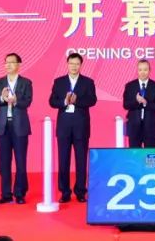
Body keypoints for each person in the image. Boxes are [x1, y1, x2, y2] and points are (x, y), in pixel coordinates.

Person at [49, 53, 97, 203]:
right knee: (63, 160)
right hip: (64, 126)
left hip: (81, 126)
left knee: (81, 160)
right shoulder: (59, 82)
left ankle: (81, 191)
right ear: (67, 64)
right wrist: (64, 102)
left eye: (77, 64)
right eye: (71, 63)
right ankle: (65, 192)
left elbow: (93, 100)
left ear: (81, 65)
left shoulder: (88, 82)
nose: (74, 66)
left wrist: (77, 101)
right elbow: (52, 101)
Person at [0, 53, 33, 205]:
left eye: (11, 62)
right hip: (3, 126)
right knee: (4, 162)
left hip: (19, 126)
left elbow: (27, 102)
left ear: (19, 65)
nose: (8, 65)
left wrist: (15, 101)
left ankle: (20, 193)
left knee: (20, 161)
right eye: (6, 62)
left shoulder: (26, 82)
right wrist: (2, 98)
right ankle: (6, 193)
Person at [122, 59, 155, 148]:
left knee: (150, 154)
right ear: (137, 70)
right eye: (140, 70)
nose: (143, 72)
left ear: (149, 70)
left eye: (145, 69)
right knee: (134, 153)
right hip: (134, 126)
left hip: (151, 126)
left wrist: (146, 103)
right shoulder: (130, 86)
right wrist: (137, 101)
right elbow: (126, 105)